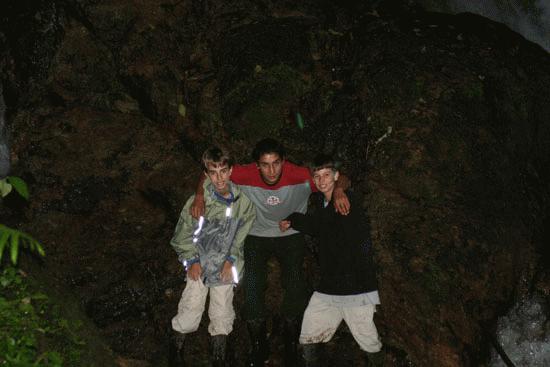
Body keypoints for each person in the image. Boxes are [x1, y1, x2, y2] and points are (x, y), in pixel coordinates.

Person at [191, 138, 351, 366]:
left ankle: (290, 339)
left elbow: (340, 176)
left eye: (276, 163)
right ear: (257, 165)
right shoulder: (245, 174)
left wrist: (339, 191)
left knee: (294, 280)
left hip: (291, 233)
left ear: (283, 162)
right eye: (265, 164)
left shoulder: (299, 175)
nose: (271, 170)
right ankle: (258, 342)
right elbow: (209, 173)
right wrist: (199, 195)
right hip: (256, 235)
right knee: (253, 283)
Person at [279, 154, 383, 367]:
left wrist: (340, 190)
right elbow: (318, 226)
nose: (322, 180)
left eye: (327, 175)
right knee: (309, 333)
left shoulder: (347, 200)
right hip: (330, 286)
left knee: (368, 339)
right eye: (317, 176)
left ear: (336, 176)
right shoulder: (323, 203)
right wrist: (292, 219)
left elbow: (321, 221)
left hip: (356, 286)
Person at [170, 147, 256, 367]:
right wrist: (192, 261)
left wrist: (231, 260)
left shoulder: (243, 204)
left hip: (224, 267)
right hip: (199, 265)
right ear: (206, 174)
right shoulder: (198, 202)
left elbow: (241, 238)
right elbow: (181, 236)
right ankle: (176, 352)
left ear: (231, 171)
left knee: (222, 313)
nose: (219, 177)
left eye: (223, 171)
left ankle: (218, 358)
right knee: (190, 310)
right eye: (213, 172)